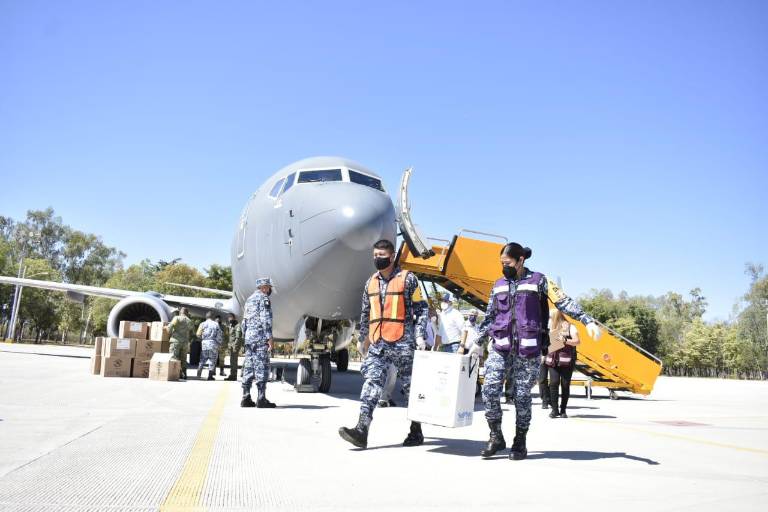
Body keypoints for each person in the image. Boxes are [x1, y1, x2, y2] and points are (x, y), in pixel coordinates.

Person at [477, 242, 601, 460]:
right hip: (500, 346)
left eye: (507, 263)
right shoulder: (498, 284)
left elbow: (563, 300)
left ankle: (520, 442)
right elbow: (489, 316)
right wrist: (476, 343)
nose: (503, 267)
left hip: (528, 348)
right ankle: (496, 436)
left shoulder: (539, 280)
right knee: (489, 390)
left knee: (522, 396)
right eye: (501, 263)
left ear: (521, 260)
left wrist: (586, 320)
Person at [338, 239, 428, 449]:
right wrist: (363, 339)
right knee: (372, 381)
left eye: (382, 256)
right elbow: (365, 312)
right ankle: (362, 429)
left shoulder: (408, 279)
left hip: (403, 342)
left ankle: (416, 430)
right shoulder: (370, 282)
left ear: (392, 255)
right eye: (375, 256)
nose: (378, 259)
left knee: (410, 388)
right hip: (378, 342)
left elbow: (422, 309)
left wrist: (420, 335)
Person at [241, 277, 276, 408]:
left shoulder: (249, 300)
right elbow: (265, 319)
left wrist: (245, 337)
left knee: (249, 367)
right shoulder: (264, 298)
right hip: (260, 338)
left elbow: (244, 321)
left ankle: (246, 397)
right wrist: (269, 337)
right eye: (268, 287)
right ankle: (261, 398)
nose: (269, 289)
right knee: (262, 366)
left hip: (249, 338)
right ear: (264, 287)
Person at [545, 308, 580, 418]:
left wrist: (565, 340)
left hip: (566, 361)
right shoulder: (549, 326)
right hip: (552, 360)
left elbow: (577, 341)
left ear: (556, 316)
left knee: (565, 385)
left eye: (551, 317)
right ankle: (554, 410)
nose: (550, 319)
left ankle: (563, 410)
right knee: (553, 383)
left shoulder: (570, 326)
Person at [166, 307, 193, 380]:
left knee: (174, 357)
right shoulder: (189, 321)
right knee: (183, 359)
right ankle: (184, 374)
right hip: (185, 343)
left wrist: (169, 335)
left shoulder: (177, 318)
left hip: (176, 341)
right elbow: (191, 332)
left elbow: (170, 327)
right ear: (187, 313)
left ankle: (174, 373)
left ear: (181, 312)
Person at [196, 311, 222, 380]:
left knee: (202, 359)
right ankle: (210, 376)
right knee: (212, 360)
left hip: (204, 343)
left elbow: (198, 334)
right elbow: (219, 335)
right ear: (213, 318)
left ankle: (198, 374)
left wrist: (203, 338)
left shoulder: (202, 324)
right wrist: (219, 343)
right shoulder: (216, 324)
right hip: (213, 344)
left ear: (206, 317)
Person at [226, 313, 243, 381]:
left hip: (234, 346)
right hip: (231, 346)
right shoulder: (231, 325)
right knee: (231, 361)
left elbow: (238, 338)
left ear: (234, 318)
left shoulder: (237, 326)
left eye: (231, 317)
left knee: (234, 361)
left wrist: (235, 346)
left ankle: (234, 376)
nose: (229, 319)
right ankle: (232, 375)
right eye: (228, 318)